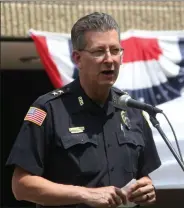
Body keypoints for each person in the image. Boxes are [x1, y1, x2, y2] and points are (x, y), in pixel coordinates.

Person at [6, 12, 161, 208]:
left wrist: (145, 188)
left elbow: (143, 176)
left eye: (115, 50)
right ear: (77, 58)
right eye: (98, 51)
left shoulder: (132, 110)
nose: (109, 59)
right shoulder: (49, 109)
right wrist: (85, 194)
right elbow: (21, 186)